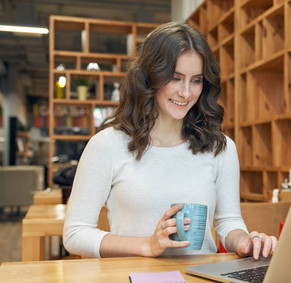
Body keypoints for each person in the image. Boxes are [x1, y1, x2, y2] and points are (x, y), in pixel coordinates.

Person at [63, 22, 278, 259]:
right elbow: (75, 234)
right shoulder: (107, 145)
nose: (186, 93)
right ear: (149, 77)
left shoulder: (220, 148)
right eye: (175, 78)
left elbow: (228, 222)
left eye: (196, 80)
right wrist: (146, 246)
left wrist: (246, 242)